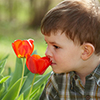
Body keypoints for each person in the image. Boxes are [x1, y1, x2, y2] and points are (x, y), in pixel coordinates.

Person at [39, 0, 100, 99]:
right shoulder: (57, 80)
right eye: (47, 44)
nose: (47, 53)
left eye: (56, 47)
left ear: (85, 51)